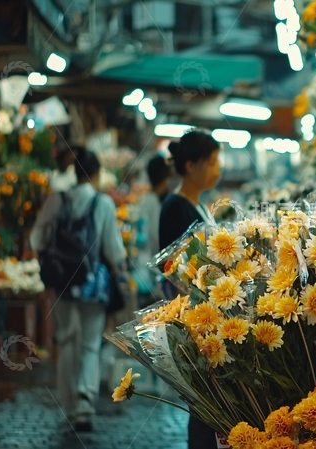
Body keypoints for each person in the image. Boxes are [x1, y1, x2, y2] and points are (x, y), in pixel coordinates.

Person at [30, 149, 126, 432]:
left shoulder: (56, 200)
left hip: (61, 281)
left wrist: (51, 256)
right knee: (90, 343)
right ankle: (85, 402)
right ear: (95, 174)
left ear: (75, 172)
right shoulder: (103, 203)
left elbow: (37, 237)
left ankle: (69, 403)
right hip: (93, 283)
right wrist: (120, 275)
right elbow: (113, 249)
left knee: (67, 339)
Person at [158, 130, 221, 449]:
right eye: (211, 162)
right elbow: (170, 269)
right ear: (191, 165)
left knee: (211, 402)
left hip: (208, 314)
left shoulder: (198, 207)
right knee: (202, 402)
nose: (217, 169)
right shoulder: (176, 207)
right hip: (193, 317)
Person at [136, 155, 172, 303]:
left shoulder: (147, 201)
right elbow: (150, 236)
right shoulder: (154, 201)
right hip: (158, 268)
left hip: (156, 267)